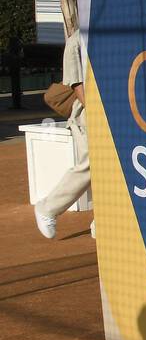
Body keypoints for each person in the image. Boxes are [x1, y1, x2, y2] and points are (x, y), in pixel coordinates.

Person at [34, 26, 93, 238]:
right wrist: (98, 114)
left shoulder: (113, 32)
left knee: (115, 167)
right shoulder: (76, 41)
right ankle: (48, 208)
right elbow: (78, 86)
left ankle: (102, 222)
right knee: (91, 165)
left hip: (117, 113)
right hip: (86, 116)